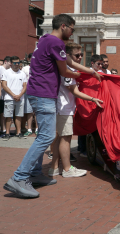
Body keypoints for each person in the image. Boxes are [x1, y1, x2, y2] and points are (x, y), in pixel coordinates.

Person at [3, 14, 100, 198]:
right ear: (63, 26)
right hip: (43, 93)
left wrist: (90, 70)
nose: (72, 33)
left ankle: (35, 174)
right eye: (72, 29)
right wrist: (83, 76)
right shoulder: (55, 43)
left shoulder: (46, 40)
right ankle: (19, 177)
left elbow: (69, 62)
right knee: (47, 136)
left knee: (43, 135)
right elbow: (65, 70)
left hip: (40, 92)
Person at [49, 42, 103, 178]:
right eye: (77, 55)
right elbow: (74, 91)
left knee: (58, 138)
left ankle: (54, 168)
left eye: (81, 55)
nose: (79, 57)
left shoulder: (63, 67)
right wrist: (92, 99)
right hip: (64, 107)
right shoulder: (67, 70)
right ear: (67, 55)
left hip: (59, 106)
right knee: (66, 138)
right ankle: (67, 169)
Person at [2, 56, 27, 140]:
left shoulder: (22, 73)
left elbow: (25, 86)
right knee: (8, 116)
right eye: (15, 63)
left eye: (18, 63)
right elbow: (4, 85)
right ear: (11, 63)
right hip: (9, 98)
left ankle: (18, 132)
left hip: (20, 98)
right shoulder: (6, 72)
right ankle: (7, 133)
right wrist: (13, 95)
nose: (17, 65)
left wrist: (19, 95)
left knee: (19, 116)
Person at [22, 53, 38, 137]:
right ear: (29, 59)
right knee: (29, 112)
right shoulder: (25, 68)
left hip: (38, 92)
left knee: (37, 111)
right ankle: (29, 129)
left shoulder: (40, 67)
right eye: (32, 58)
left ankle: (37, 129)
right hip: (28, 92)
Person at [0, 56, 12, 136]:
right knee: (1, 113)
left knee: (3, 113)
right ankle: (3, 129)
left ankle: (3, 129)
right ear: (5, 62)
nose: (11, 65)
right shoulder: (1, 69)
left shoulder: (7, 70)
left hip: (5, 96)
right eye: (10, 63)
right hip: (1, 95)